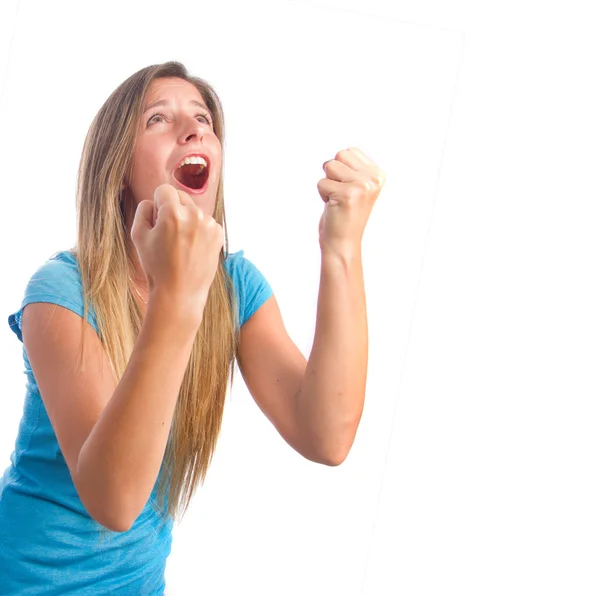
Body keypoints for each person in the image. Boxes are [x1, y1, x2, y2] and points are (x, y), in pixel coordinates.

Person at [0, 60, 385, 594]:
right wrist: (177, 296)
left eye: (202, 118)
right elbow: (114, 501)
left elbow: (326, 434)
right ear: (118, 169)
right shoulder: (62, 293)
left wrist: (341, 249)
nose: (194, 128)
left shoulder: (232, 287)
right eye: (158, 118)